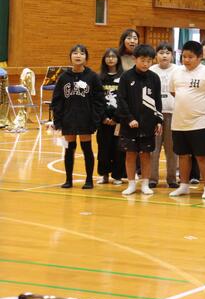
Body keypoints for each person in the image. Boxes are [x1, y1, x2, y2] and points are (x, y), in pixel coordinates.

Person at [168, 40, 205, 200]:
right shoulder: (176, 72)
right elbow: (173, 91)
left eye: (190, 57)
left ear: (199, 57)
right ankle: (184, 186)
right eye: (184, 56)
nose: (186, 60)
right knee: (183, 155)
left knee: (202, 156)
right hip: (179, 122)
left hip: (199, 122)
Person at [52, 44, 105, 189]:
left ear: (86, 58)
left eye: (82, 53)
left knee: (87, 149)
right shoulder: (63, 77)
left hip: (85, 119)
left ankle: (89, 180)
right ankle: (68, 180)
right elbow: (57, 100)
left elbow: (99, 100)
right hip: (68, 119)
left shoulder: (92, 76)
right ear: (70, 57)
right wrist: (58, 120)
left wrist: (95, 119)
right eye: (75, 53)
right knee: (69, 149)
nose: (78, 55)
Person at [116, 44, 163, 196]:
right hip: (129, 124)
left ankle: (145, 184)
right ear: (135, 59)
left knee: (145, 154)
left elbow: (158, 101)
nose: (145, 64)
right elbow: (121, 99)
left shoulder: (154, 78)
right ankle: (131, 184)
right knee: (130, 154)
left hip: (148, 124)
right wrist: (129, 118)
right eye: (142, 60)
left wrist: (159, 120)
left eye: (149, 61)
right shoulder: (126, 77)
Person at [150, 42, 178, 188]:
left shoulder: (178, 70)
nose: (164, 55)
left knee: (172, 149)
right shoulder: (151, 70)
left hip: (173, 114)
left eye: (167, 53)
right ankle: (152, 179)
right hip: (154, 115)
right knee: (153, 149)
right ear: (156, 56)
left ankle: (172, 179)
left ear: (172, 55)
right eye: (161, 53)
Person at [97, 48, 125, 185]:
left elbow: (125, 99)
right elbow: (96, 100)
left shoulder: (124, 77)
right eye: (108, 56)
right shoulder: (99, 78)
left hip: (118, 121)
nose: (110, 59)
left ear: (118, 59)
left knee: (118, 149)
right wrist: (103, 117)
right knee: (103, 148)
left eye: (113, 56)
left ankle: (118, 176)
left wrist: (116, 118)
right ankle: (104, 175)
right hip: (103, 121)